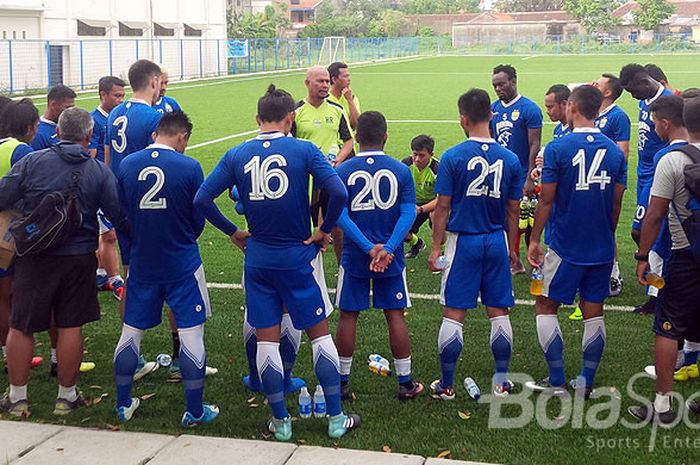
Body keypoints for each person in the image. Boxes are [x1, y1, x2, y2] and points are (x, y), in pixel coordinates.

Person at [194, 84, 360, 442]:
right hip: (298, 256)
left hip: (259, 259)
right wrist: (324, 230)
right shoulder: (304, 149)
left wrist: (233, 231)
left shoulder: (236, 154)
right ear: (291, 118)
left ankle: (281, 421)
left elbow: (202, 198)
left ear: (257, 119)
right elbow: (339, 192)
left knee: (266, 341)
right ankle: (335, 417)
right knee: (319, 335)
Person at [0, 107, 125, 417]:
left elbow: (3, 197)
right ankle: (66, 397)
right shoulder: (98, 170)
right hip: (79, 257)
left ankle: (17, 398)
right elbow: (116, 212)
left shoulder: (32, 161)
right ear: (87, 136)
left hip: (35, 255)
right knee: (71, 325)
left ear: (57, 132)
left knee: (21, 324)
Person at [113, 111, 218, 427]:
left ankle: (122, 403)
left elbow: (120, 215)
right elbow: (198, 215)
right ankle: (194, 410)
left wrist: (134, 247)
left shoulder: (127, 165)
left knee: (131, 332)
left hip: (143, 262)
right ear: (182, 137)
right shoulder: (188, 166)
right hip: (182, 262)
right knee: (191, 333)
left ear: (155, 133)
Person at [525, 85, 626, 398]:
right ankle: (586, 381)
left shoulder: (559, 148)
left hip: (566, 244)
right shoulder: (614, 150)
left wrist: (534, 240)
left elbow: (546, 200)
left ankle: (556, 381)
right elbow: (616, 203)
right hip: (601, 245)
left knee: (545, 304)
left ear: (572, 108)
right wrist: (607, 236)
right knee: (594, 309)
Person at [428, 89, 521, 399]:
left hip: (462, 241)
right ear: (491, 116)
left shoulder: (453, 156)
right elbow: (513, 210)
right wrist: (512, 249)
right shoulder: (510, 158)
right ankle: (502, 382)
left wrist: (436, 247)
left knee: (454, 313)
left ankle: (447, 385)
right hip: (496, 239)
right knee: (499, 312)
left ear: (463, 120)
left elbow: (442, 207)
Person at [334, 111, 423, 401]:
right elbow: (408, 212)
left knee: (349, 314)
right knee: (395, 314)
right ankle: (405, 382)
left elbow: (339, 215)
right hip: (391, 257)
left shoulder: (343, 171)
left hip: (355, 256)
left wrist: (367, 247)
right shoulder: (400, 170)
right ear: (386, 137)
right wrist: (388, 248)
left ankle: (341, 383)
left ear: (356, 138)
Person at [628, 97, 700, 425]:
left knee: (668, 329)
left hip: (685, 255)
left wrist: (642, 257)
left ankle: (662, 406)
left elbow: (654, 215)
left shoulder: (671, 160)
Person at [620, 63, 673, 313]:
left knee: (643, 232)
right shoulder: (645, 102)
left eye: (632, 91)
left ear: (643, 82)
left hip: (658, 175)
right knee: (645, 233)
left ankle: (656, 291)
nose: (632, 97)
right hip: (643, 173)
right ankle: (656, 289)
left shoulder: (668, 102)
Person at [292, 66, 354, 265]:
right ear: (307, 83)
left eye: (327, 81)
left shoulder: (337, 110)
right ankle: (308, 266)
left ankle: (341, 266)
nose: (325, 85)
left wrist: (339, 160)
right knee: (306, 224)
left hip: (331, 175)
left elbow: (348, 141)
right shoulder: (296, 111)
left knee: (337, 226)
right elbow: (288, 142)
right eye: (320, 81)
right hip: (306, 178)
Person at [490, 64, 543, 275]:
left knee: (528, 222)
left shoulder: (529, 109)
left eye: (501, 84)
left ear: (513, 81)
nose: (498, 89)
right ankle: (515, 261)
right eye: (495, 85)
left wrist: (530, 177)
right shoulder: (493, 109)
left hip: (522, 174)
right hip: (499, 176)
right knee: (504, 219)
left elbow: (534, 144)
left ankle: (536, 264)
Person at [0, 97, 39, 372]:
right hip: (11, 233)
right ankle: (12, 351)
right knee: (13, 295)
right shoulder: (22, 152)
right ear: (28, 127)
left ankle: (5, 349)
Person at [90, 76, 127, 301]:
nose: (121, 100)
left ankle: (101, 274)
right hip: (102, 186)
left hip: (116, 184)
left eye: (123, 95)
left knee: (106, 234)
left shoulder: (121, 116)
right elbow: (92, 156)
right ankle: (115, 279)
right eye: (117, 95)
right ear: (103, 95)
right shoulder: (93, 120)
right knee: (110, 234)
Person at [402, 135, 439, 259]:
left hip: (432, 204)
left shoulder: (438, 169)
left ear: (431, 154)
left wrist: (421, 209)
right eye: (415, 154)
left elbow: (442, 199)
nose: (417, 159)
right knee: (398, 228)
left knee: (436, 217)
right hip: (413, 203)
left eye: (422, 155)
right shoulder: (405, 164)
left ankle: (440, 251)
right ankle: (417, 243)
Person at [30, 84, 76, 151]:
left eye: (72, 107)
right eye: (67, 108)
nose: (71, 112)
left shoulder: (69, 125)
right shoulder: (38, 134)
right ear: (53, 105)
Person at [327, 62, 360, 132]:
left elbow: (355, 125)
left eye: (348, 76)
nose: (349, 79)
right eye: (345, 76)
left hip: (348, 142)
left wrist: (350, 100)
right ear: (334, 79)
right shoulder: (325, 99)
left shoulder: (352, 98)